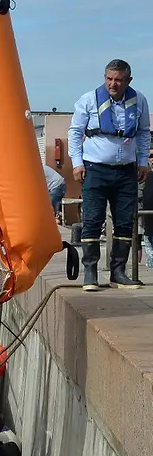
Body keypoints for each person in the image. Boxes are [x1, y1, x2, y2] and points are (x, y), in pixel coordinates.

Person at [68, 59, 151, 291]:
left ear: (128, 81)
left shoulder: (140, 101)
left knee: (125, 222)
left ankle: (119, 273)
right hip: (95, 169)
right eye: (109, 79)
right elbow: (75, 133)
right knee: (93, 220)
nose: (113, 84)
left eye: (118, 80)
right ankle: (91, 273)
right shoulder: (88, 100)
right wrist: (77, 163)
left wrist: (143, 161)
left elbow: (144, 133)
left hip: (126, 171)